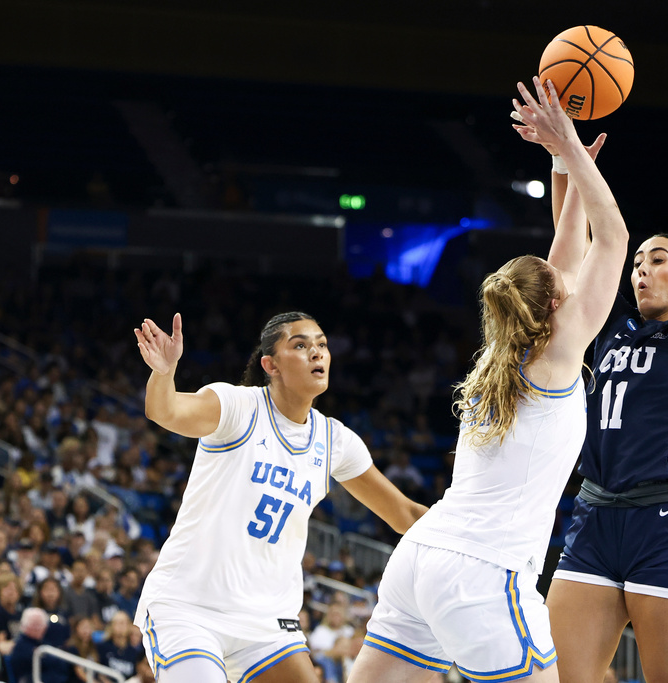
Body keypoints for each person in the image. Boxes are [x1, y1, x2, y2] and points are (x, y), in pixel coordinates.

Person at [348, 75, 628, 683]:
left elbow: (566, 249)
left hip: (420, 559)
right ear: (554, 306)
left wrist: (563, 158)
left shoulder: (502, 354)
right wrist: (573, 154)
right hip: (484, 573)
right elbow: (612, 238)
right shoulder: (555, 357)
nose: (569, 278)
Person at [131, 301, 428, 683]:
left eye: (322, 344)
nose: (317, 352)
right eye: (301, 345)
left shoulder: (334, 440)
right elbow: (166, 411)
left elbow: (404, 515)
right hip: (190, 608)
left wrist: (474, 528)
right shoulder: (238, 407)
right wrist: (164, 373)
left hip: (267, 623)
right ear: (270, 365)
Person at [539, 116, 668, 681]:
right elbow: (575, 254)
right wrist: (564, 164)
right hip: (593, 515)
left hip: (666, 523)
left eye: (657, 260)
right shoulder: (610, 330)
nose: (642, 272)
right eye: (638, 264)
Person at [8, 608, 48, 683]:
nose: (38, 628)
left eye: (40, 625)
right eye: (34, 625)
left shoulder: (43, 642)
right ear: (24, 625)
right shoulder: (20, 646)